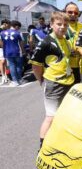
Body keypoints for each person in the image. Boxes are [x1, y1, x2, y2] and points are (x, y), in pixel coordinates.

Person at [30, 11, 74, 149]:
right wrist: (41, 81)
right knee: (50, 117)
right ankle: (42, 149)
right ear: (52, 24)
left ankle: (60, 142)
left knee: (64, 115)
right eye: (59, 24)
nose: (62, 27)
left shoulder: (66, 41)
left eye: (65, 25)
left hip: (68, 82)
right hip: (53, 84)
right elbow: (35, 66)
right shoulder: (45, 42)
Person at [64, 2, 82, 84]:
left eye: (76, 13)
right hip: (65, 67)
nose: (73, 14)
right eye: (70, 12)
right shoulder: (60, 26)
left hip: (80, 67)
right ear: (64, 12)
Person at [0, 20, 25, 86]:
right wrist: (23, 51)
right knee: (19, 65)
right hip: (17, 51)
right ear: (16, 26)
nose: (18, 29)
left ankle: (14, 81)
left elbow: (1, 43)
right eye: (18, 27)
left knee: (11, 66)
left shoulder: (2, 33)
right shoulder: (18, 33)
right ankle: (20, 79)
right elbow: (21, 43)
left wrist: (5, 49)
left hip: (7, 52)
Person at [0, 19, 10, 84]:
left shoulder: (5, 30)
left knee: (6, 61)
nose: (8, 26)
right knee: (2, 61)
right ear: (4, 24)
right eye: (8, 25)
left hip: (6, 47)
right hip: (1, 48)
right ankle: (3, 76)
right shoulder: (0, 30)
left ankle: (6, 75)